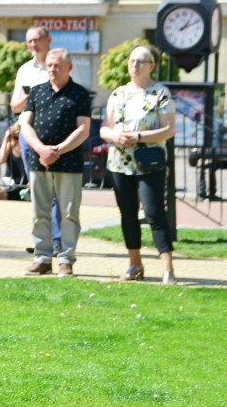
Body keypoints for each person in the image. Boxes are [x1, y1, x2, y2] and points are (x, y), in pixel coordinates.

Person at [100, 44, 178, 285]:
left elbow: (169, 129)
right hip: (120, 163)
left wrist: (139, 137)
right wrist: (114, 136)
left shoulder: (160, 93)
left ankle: (167, 269)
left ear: (151, 66)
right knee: (128, 214)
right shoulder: (118, 94)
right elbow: (105, 127)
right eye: (131, 61)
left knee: (154, 212)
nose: (133, 65)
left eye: (140, 62)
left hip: (149, 163)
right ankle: (135, 264)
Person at [19, 48, 91, 277]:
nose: (52, 69)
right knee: (39, 212)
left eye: (57, 65)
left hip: (68, 163)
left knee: (69, 213)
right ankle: (41, 258)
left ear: (68, 67)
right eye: (49, 65)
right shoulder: (37, 92)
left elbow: (83, 129)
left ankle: (66, 259)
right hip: (39, 162)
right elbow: (26, 125)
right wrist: (41, 149)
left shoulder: (79, 94)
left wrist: (57, 151)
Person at [10, 26, 62, 254]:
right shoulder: (24, 70)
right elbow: (14, 106)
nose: (32, 45)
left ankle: (58, 240)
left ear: (48, 40)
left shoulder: (60, 65)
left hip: (55, 136)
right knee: (37, 188)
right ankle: (42, 240)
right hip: (29, 135)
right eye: (29, 41)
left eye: (36, 40)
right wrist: (28, 97)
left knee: (57, 190)